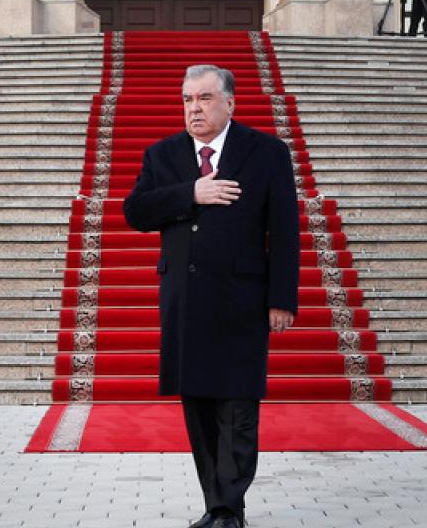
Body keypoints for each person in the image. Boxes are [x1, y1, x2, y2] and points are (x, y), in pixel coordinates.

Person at [123, 65, 300, 528]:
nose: (194, 108)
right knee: (199, 409)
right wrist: (191, 193)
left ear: (229, 102)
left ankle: (228, 509)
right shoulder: (162, 155)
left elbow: (283, 230)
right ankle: (217, 506)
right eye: (187, 99)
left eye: (204, 98)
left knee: (237, 408)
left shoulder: (266, 152)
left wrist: (282, 298)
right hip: (186, 303)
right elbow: (136, 212)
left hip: (242, 299)